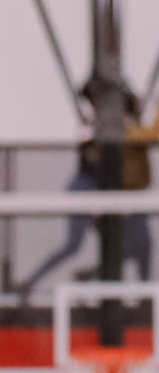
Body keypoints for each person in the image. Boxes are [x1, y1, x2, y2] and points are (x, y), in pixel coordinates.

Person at [16, 89, 159, 305]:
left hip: (108, 195)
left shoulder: (114, 126)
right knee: (78, 245)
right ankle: (31, 282)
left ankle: (93, 278)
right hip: (89, 191)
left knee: (132, 246)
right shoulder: (114, 126)